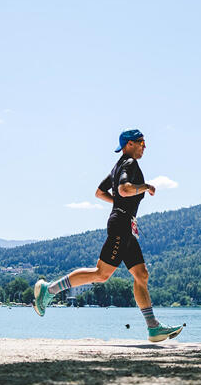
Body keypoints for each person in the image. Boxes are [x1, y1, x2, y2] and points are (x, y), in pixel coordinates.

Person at [32, 129, 183, 342]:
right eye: (141, 142)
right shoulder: (129, 164)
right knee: (102, 274)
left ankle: (153, 327)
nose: (144, 146)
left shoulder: (117, 166)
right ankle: (49, 290)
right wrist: (144, 187)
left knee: (141, 275)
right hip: (121, 225)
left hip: (126, 226)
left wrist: (120, 202)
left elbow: (100, 192)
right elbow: (123, 189)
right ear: (129, 144)